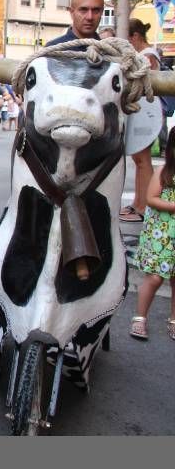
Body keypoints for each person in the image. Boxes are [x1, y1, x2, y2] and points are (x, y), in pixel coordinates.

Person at [129, 126, 175, 341]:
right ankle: (140, 317)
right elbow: (151, 198)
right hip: (161, 235)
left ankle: (174, 319)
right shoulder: (164, 171)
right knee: (155, 278)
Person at [120, 19, 161, 223]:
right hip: (139, 115)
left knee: (143, 162)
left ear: (135, 37)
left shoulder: (148, 56)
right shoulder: (144, 55)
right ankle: (138, 203)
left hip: (145, 116)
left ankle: (143, 206)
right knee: (139, 161)